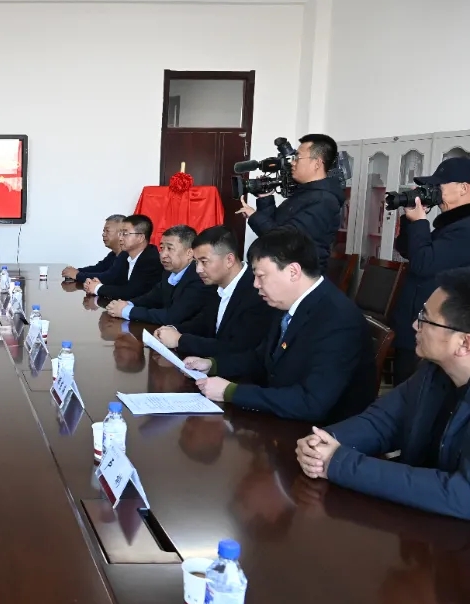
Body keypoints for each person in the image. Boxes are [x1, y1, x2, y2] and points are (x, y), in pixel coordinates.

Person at [296, 268, 470, 520]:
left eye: (426, 319)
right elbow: (382, 422)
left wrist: (340, 463)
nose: (415, 325)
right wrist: (323, 443)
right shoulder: (433, 372)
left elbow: (461, 494)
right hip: (417, 523)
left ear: (464, 343)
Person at [184, 227, 375, 425]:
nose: (255, 284)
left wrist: (232, 392)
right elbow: (261, 358)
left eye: (261, 276)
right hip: (283, 417)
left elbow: (311, 402)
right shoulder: (288, 303)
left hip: (322, 432)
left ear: (293, 272)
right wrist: (213, 364)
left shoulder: (337, 319)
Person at [391, 157, 470, 385]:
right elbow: (406, 250)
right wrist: (411, 221)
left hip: (436, 330)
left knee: (414, 389)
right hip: (417, 322)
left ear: (464, 188)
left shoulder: (465, 229)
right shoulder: (451, 223)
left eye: (439, 185)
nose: (433, 191)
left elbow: (424, 264)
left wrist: (419, 223)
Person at [154, 225, 276, 357]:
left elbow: (237, 347)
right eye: (196, 262)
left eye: (204, 262)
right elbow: (204, 323)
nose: (198, 269)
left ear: (229, 260)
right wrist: (172, 330)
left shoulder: (257, 291)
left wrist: (180, 340)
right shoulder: (215, 283)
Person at [237, 133, 343, 273]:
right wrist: (265, 198)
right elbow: (276, 225)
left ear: (317, 163)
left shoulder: (324, 201)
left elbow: (285, 240)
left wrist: (254, 216)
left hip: (300, 277)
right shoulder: (306, 193)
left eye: (297, 158)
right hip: (285, 271)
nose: (293, 163)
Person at [104, 224, 215, 325]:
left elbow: (172, 317)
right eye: (161, 248)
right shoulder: (168, 272)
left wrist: (127, 311)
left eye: (170, 248)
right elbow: (152, 298)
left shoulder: (199, 277)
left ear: (189, 253)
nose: (163, 255)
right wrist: (127, 304)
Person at [81, 214, 162, 300]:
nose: (120, 238)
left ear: (140, 238)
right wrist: (96, 284)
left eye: (125, 234)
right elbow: (115, 280)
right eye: (120, 233)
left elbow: (131, 292)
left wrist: (98, 288)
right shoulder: (124, 255)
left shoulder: (151, 260)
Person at [63, 214, 125, 282]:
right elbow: (98, 268)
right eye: (104, 231)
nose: (103, 234)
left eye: (107, 231)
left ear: (121, 234)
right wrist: (76, 271)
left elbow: (108, 277)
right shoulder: (113, 254)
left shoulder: (127, 256)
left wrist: (77, 275)